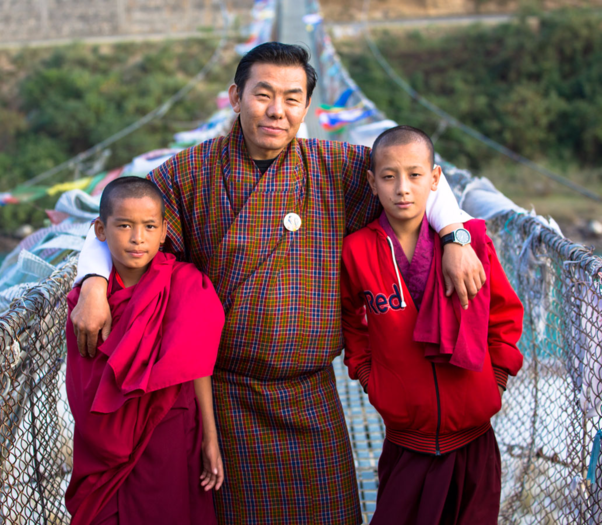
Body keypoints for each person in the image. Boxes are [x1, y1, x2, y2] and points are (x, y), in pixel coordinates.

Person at [71, 43, 487, 524]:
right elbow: (121, 215)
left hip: (310, 397)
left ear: (308, 108)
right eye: (263, 94)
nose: (276, 110)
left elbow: (413, 174)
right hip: (226, 402)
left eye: (292, 98)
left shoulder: (338, 169)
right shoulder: (188, 174)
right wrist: (93, 281)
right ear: (234, 96)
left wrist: (455, 235)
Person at [341, 126, 524, 525]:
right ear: (372, 183)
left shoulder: (470, 242)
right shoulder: (357, 250)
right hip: (406, 440)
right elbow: (351, 321)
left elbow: (504, 313)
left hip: (473, 436)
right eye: (388, 177)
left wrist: (495, 378)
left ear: (436, 179)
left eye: (415, 175)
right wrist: (369, 375)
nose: (402, 188)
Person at [64, 177, 225, 525]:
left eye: (149, 226)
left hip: (170, 431)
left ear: (164, 231)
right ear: (101, 230)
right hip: (104, 446)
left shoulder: (183, 282)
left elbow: (197, 367)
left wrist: (210, 439)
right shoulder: (87, 304)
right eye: (124, 226)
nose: (138, 238)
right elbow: (81, 387)